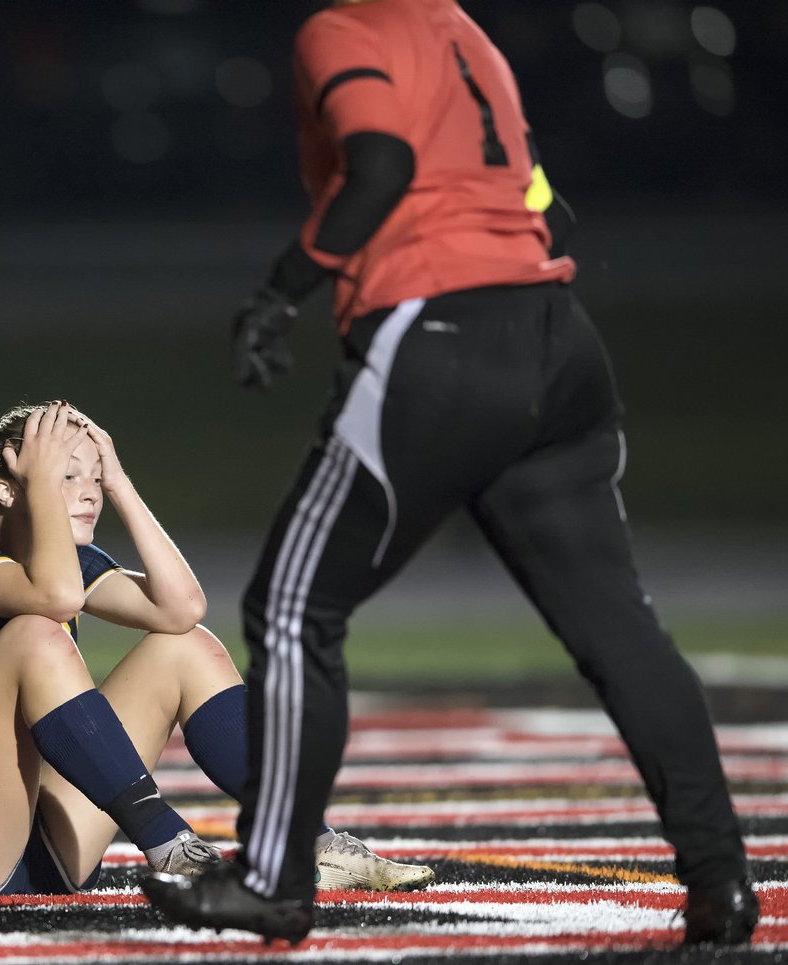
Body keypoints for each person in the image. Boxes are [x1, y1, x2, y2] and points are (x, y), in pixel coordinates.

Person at [141, 0, 759, 947]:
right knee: (621, 629)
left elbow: (381, 163)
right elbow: (544, 200)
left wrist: (281, 291)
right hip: (555, 336)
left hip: (438, 334)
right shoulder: (466, 32)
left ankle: (273, 879)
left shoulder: (347, 28)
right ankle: (720, 880)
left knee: (293, 607)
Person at [0, 399, 434, 898]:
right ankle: (170, 844)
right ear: (8, 489)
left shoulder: (64, 563)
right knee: (36, 634)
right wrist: (45, 486)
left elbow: (182, 607)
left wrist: (121, 484)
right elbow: (55, 598)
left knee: (185, 647)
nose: (88, 491)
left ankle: (310, 839)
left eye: (94, 477)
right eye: (66, 475)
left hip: (41, 847)